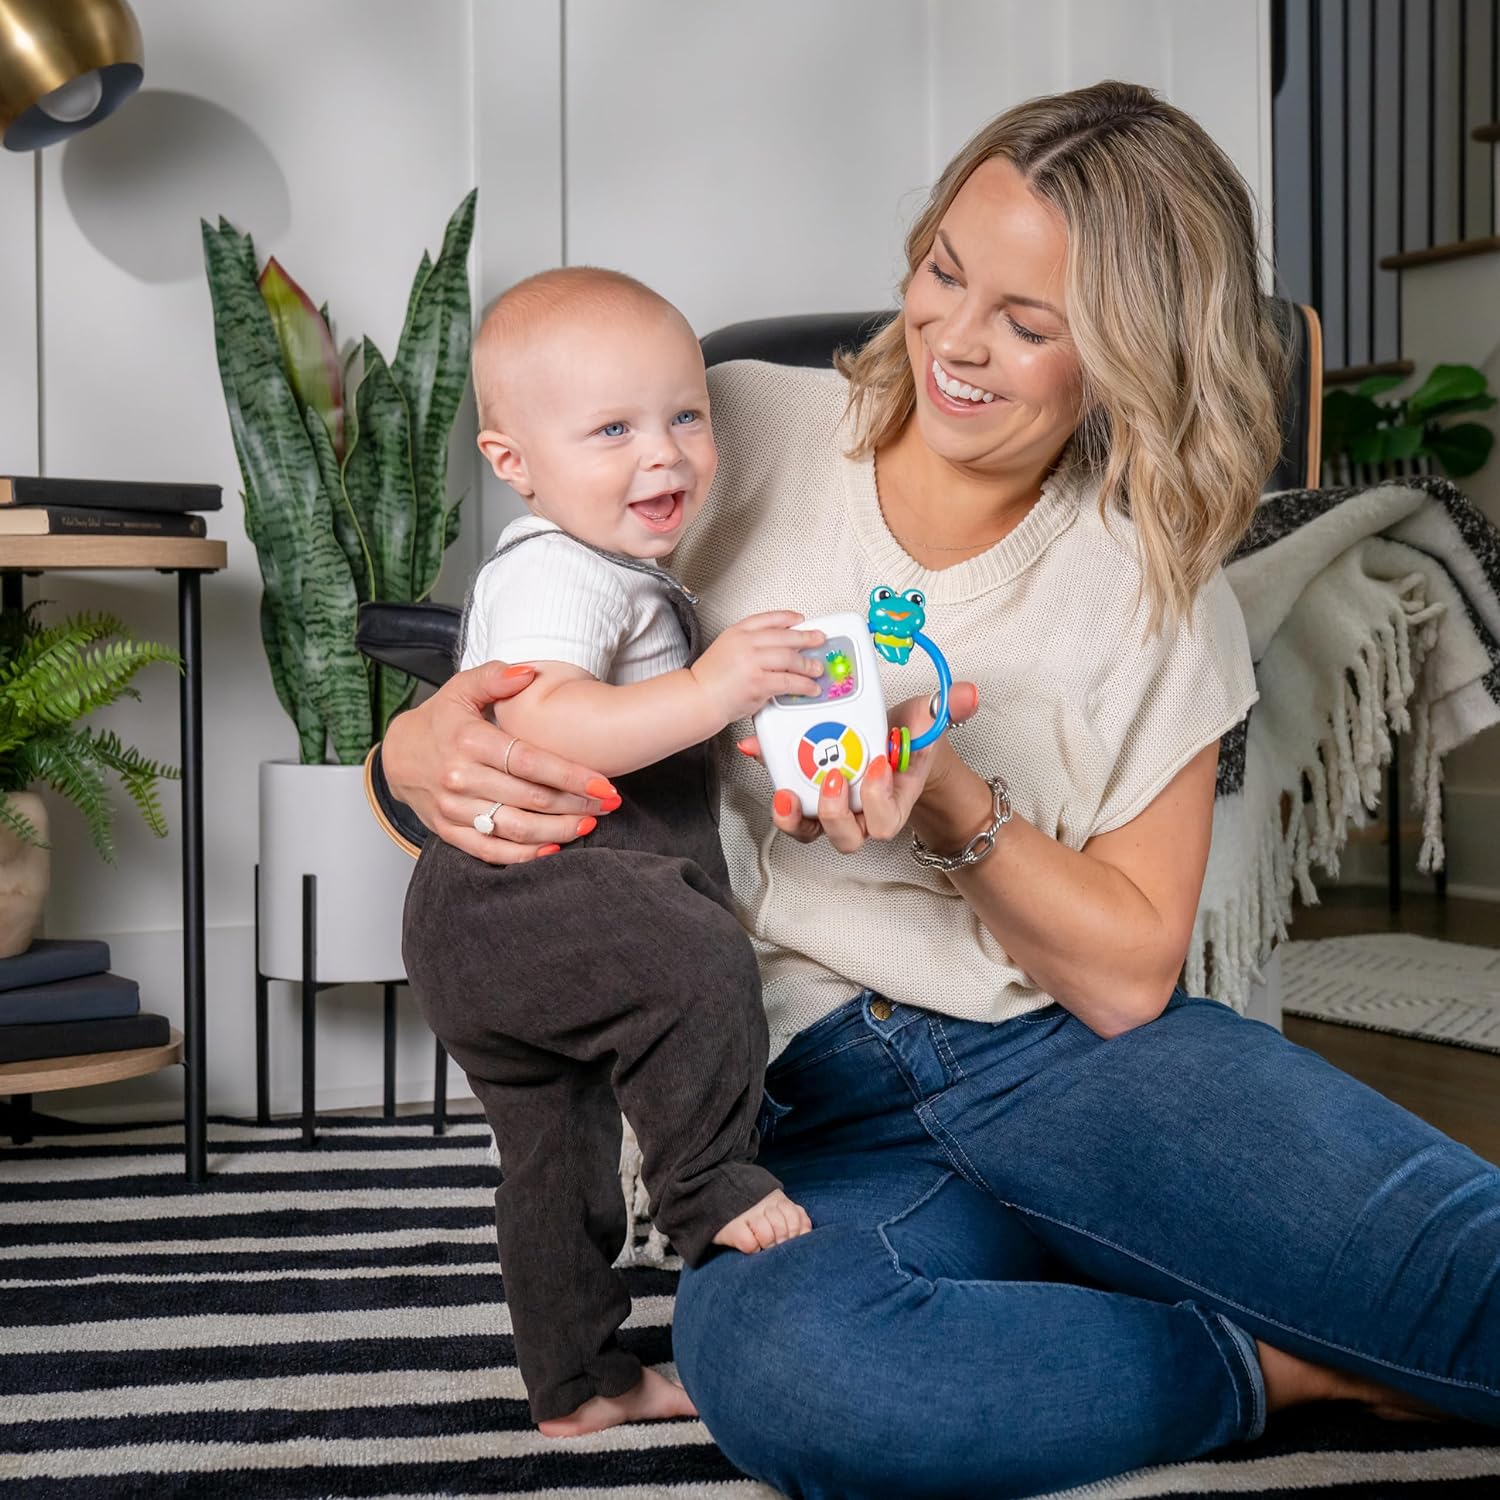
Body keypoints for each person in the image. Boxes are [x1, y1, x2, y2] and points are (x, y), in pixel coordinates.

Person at [383, 82, 1500, 1498]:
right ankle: (1266, 1367)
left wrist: (950, 805)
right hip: (807, 1106)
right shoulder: (715, 431)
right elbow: (533, 678)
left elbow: (1130, 979)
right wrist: (406, 753)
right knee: (796, 1371)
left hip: (1070, 1067)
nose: (957, 343)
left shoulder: (1153, 591)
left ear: (1131, 349)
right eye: (943, 273)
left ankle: (1118, 1267)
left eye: (1028, 323)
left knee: (1464, 1278)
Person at [402, 268, 817, 1439]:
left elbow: (648, 736)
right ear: (513, 461)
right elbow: (549, 722)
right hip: (536, 894)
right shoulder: (555, 570)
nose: (665, 454)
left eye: (686, 415)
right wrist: (714, 686)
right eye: (613, 430)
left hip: (480, 922)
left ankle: (580, 1380)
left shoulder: (614, 570)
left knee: (555, 1161)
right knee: (701, 966)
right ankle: (707, 1182)